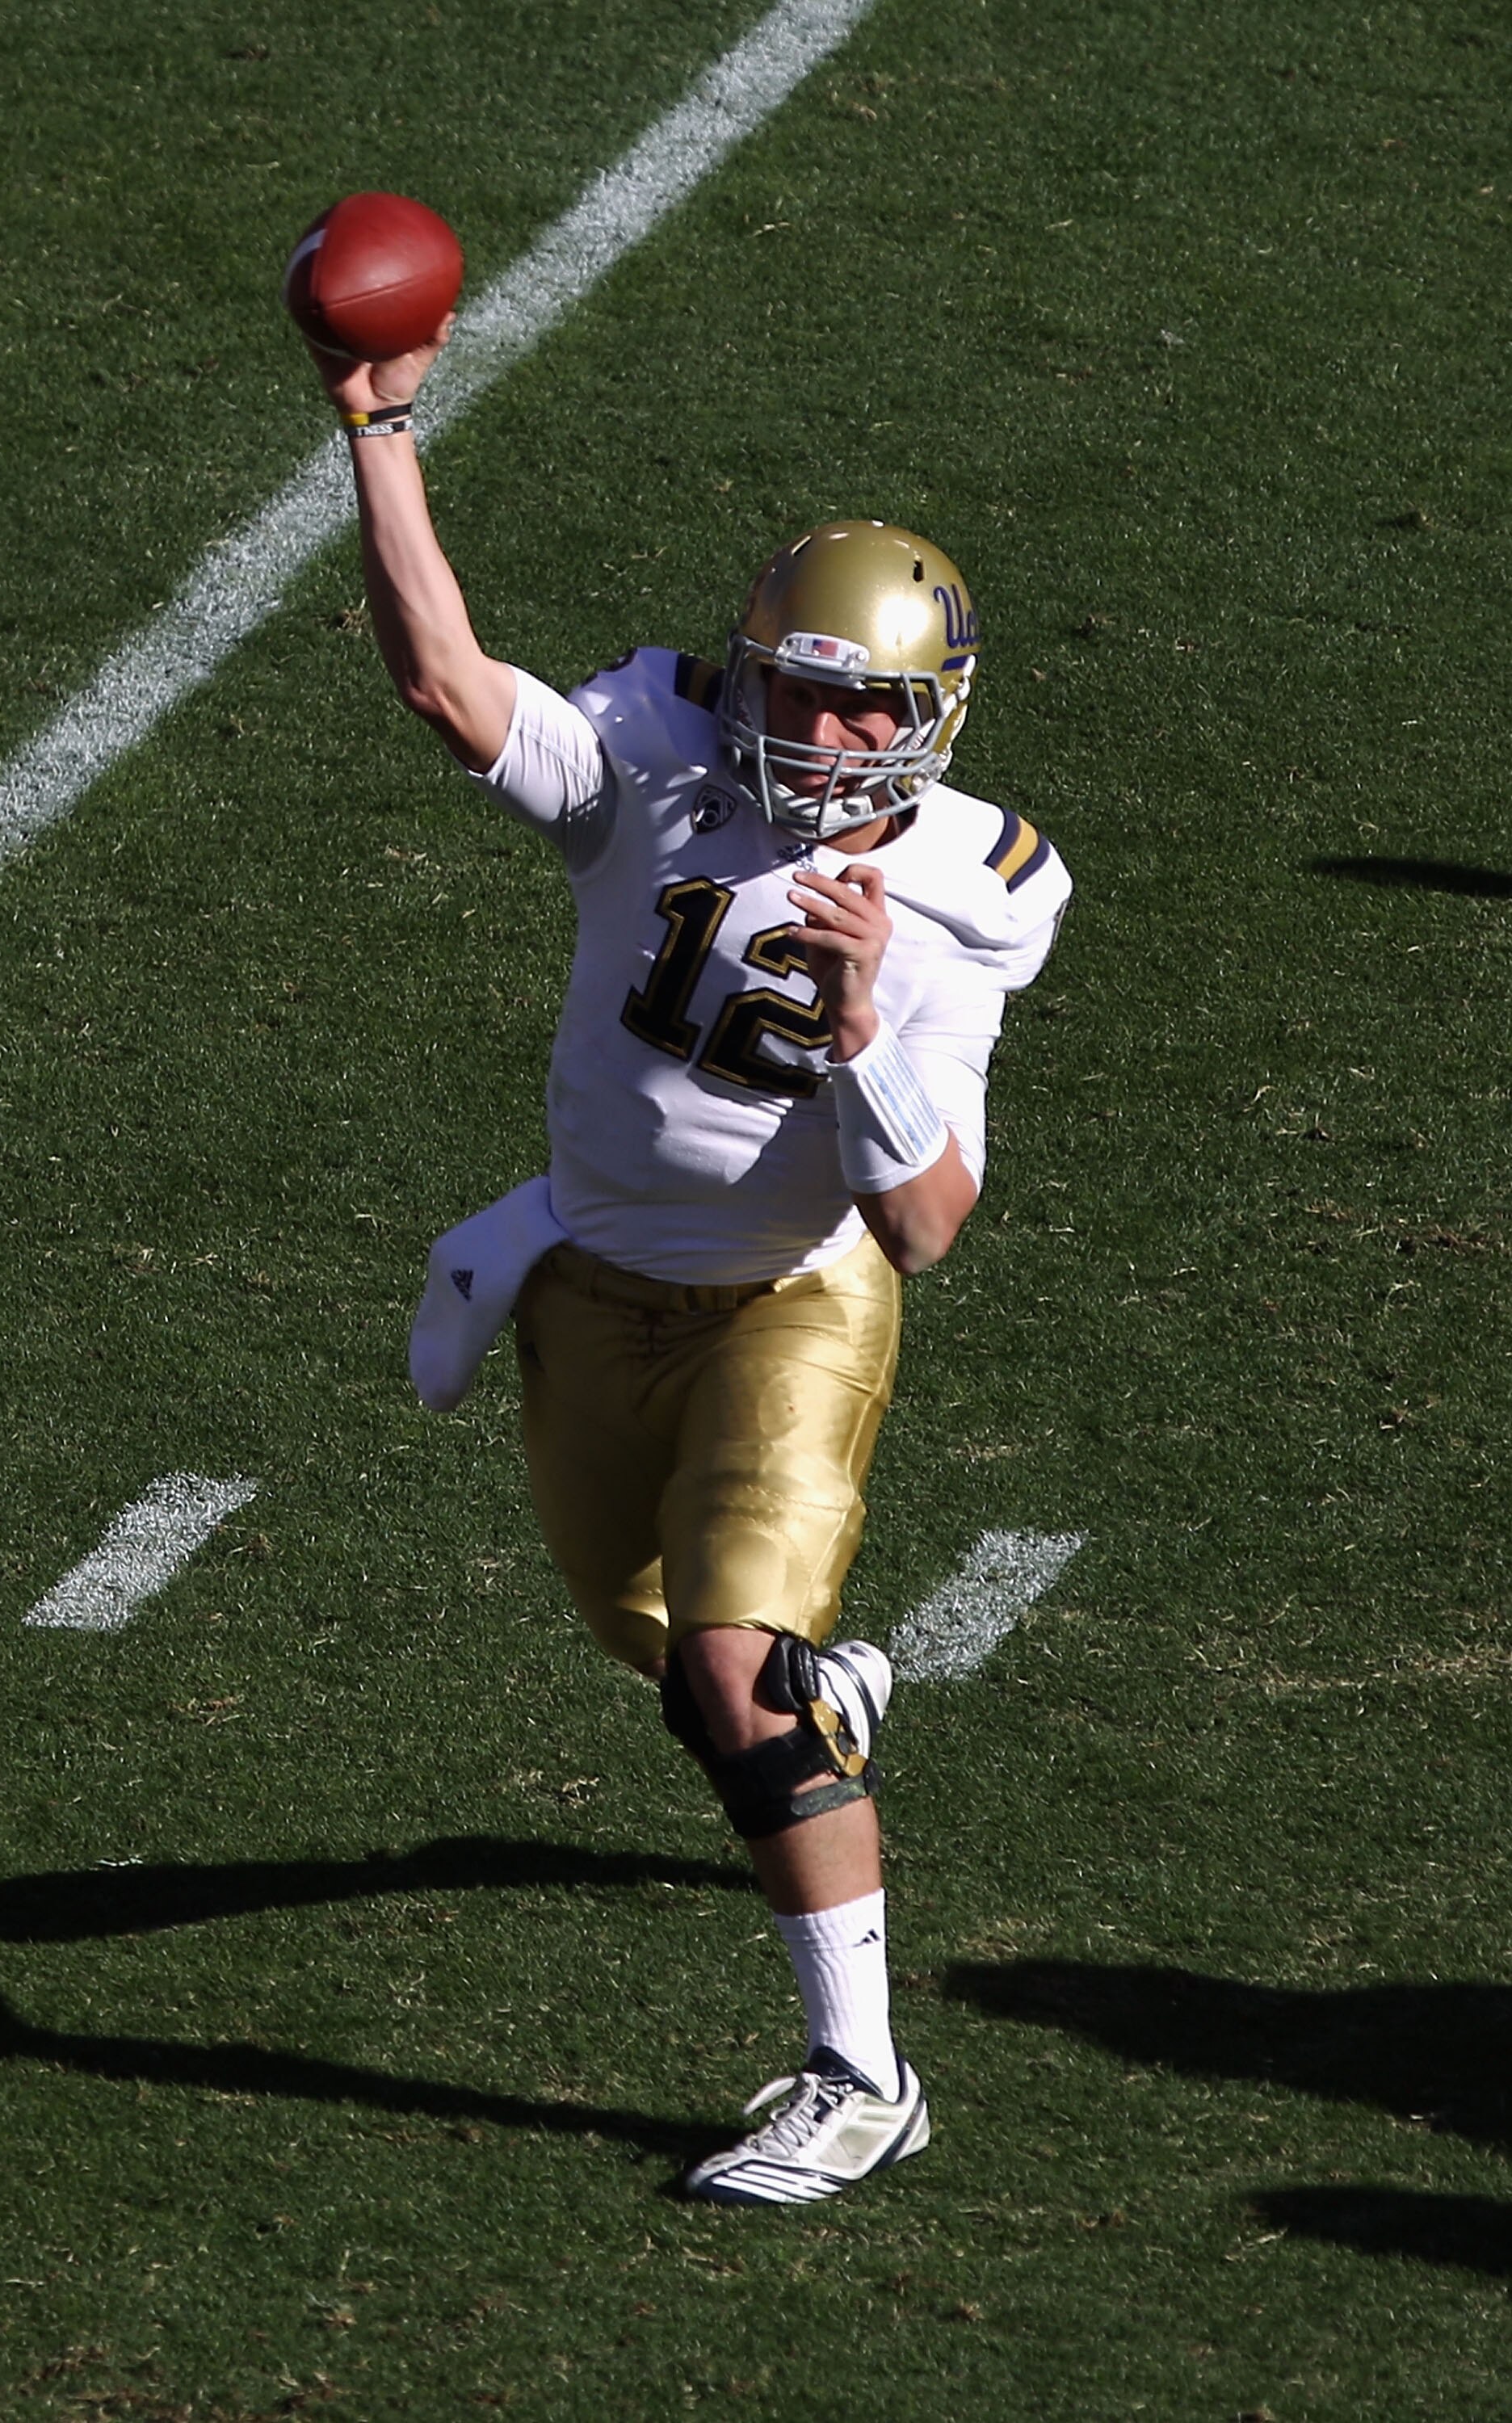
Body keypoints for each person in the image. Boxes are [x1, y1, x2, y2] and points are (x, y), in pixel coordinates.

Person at [308, 316, 1072, 2206]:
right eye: (797, 691)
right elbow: (442, 684)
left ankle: (861, 2076)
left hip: (792, 1301)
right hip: (584, 1277)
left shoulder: (970, 898)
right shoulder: (652, 756)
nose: (826, 735)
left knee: (735, 1677)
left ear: (933, 721)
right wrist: (383, 433)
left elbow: (924, 1224)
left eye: (866, 709)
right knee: (675, 1664)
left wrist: (866, 1022)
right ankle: (836, 1696)